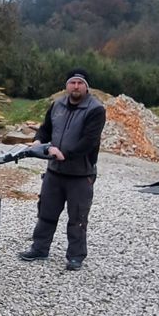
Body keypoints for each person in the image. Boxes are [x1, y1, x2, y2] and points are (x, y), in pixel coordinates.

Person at [19, 69, 106, 271]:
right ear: (67, 86)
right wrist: (39, 141)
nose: (75, 86)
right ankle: (40, 248)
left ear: (86, 87)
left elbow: (89, 141)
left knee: (77, 218)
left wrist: (63, 153)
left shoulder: (95, 110)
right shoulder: (57, 105)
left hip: (80, 175)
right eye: (72, 83)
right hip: (54, 172)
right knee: (46, 212)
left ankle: (75, 256)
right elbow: (46, 127)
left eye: (79, 83)